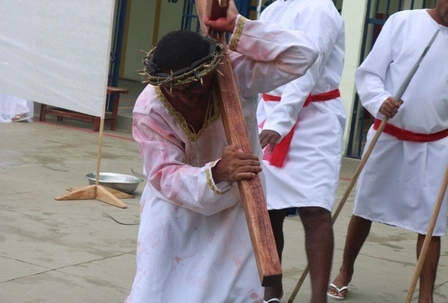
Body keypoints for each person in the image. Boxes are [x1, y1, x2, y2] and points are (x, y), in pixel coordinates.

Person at [124, 0, 321, 302]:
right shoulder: (149, 108)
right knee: (159, 290)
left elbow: (303, 54)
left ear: (210, 70)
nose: (184, 96)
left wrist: (238, 27)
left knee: (233, 292)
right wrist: (217, 172)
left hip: (236, 209)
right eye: (174, 89)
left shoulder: (232, 71)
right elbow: (163, 175)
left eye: (193, 86)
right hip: (175, 212)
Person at [328, 1, 448, 302]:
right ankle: (345, 270)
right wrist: (379, 99)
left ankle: (425, 295)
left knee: (431, 222)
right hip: (389, 135)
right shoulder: (402, 22)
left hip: (434, 143)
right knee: (365, 206)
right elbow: (369, 73)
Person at [256, 0, 346, 302]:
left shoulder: (319, 8)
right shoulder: (272, 9)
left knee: (315, 209)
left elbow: (307, 68)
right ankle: (271, 287)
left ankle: (317, 298)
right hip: (268, 111)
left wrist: (281, 121)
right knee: (269, 210)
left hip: (314, 120)